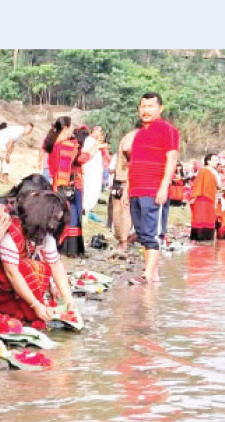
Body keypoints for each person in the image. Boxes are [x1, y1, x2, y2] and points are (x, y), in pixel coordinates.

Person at [0, 189, 75, 329]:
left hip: (18, 280)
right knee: (30, 268)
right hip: (1, 284)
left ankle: (29, 311)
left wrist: (69, 300)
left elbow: (55, 265)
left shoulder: (44, 233)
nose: (54, 225)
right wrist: (35, 305)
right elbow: (12, 273)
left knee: (41, 268)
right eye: (53, 220)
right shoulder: (11, 229)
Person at [123, 92, 180, 282]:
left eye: (150, 106)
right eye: (143, 107)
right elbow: (134, 164)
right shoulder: (138, 134)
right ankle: (153, 276)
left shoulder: (168, 130)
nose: (146, 110)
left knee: (152, 233)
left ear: (160, 109)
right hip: (136, 190)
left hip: (154, 190)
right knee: (141, 233)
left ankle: (147, 274)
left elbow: (172, 159)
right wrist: (126, 189)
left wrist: (164, 186)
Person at [44, 117, 82, 256]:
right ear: (65, 128)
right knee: (70, 213)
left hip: (55, 182)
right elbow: (70, 163)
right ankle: (69, 248)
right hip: (65, 183)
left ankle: (57, 244)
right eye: (71, 127)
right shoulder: (66, 145)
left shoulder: (52, 143)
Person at [110, 122, 140, 251]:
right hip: (126, 179)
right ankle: (124, 241)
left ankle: (123, 240)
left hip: (120, 178)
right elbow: (129, 149)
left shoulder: (127, 136)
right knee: (125, 211)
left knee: (119, 211)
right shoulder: (135, 136)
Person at [189, 152, 219, 241]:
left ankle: (206, 241)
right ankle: (199, 239)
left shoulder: (213, 172)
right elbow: (198, 184)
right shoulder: (203, 170)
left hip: (210, 199)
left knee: (208, 220)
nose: (217, 162)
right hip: (202, 199)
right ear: (208, 161)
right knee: (201, 220)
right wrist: (194, 197)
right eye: (215, 160)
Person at [80, 125, 108, 216]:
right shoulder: (89, 140)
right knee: (90, 190)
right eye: (99, 131)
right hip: (90, 171)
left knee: (95, 190)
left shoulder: (95, 142)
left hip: (96, 171)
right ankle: (85, 208)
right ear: (94, 131)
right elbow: (87, 153)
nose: (100, 133)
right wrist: (98, 146)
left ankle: (87, 209)